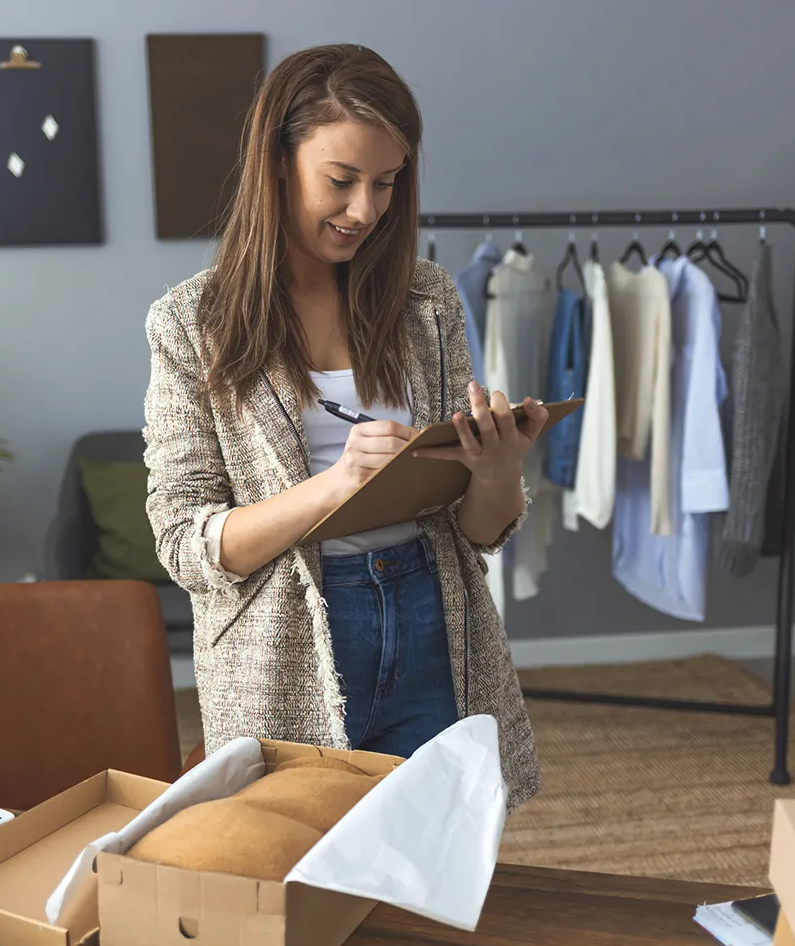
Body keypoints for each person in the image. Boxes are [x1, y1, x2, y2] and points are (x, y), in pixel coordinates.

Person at [142, 44, 543, 808]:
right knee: (299, 870)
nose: (367, 209)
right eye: (342, 181)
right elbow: (185, 545)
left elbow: (477, 535)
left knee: (435, 863)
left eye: (387, 183)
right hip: (286, 644)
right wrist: (336, 487)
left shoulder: (425, 301)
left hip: (433, 619)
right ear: (277, 163)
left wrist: (495, 472)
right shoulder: (190, 324)